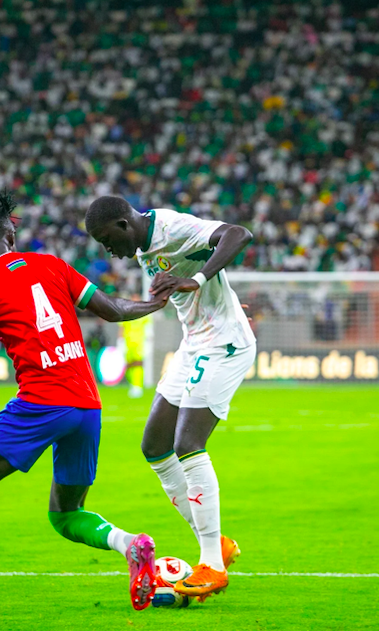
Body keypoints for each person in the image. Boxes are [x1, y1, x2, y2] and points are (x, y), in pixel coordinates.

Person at [0, 182, 170, 627]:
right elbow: (114, 310)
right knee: (65, 515)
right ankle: (129, 544)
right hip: (87, 405)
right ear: (11, 235)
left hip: (41, 403)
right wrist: (154, 303)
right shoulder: (52, 265)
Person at [84, 196, 255, 601]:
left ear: (124, 224)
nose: (110, 252)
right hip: (194, 343)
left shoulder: (171, 228)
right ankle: (216, 543)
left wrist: (197, 280)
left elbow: (237, 234)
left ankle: (212, 565)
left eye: (108, 241)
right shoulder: (143, 245)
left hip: (224, 345)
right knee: (155, 445)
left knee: (188, 443)